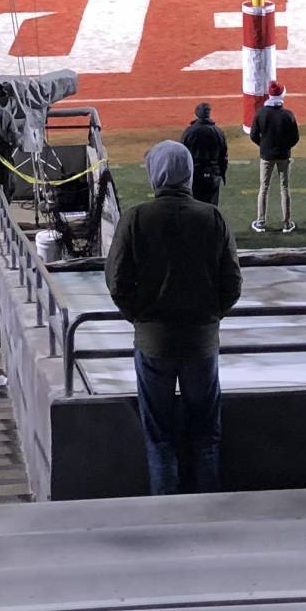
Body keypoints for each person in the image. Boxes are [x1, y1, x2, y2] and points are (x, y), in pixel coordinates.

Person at [104, 141, 241, 494]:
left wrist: (140, 317)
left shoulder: (136, 218)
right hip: (201, 341)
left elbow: (117, 281)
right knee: (207, 435)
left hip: (154, 342)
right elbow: (232, 283)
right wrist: (210, 317)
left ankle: (166, 511)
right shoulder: (212, 217)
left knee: (159, 437)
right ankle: (208, 507)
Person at [248, 80, 298, 234]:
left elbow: (254, 135)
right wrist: (285, 147)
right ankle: (287, 223)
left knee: (264, 188)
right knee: (284, 188)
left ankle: (261, 221)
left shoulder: (261, 113)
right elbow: (295, 137)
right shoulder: (288, 114)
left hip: (266, 155)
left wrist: (264, 146)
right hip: (284, 155)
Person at [180, 102, 230, 205]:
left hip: (194, 174)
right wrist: (222, 174)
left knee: (194, 206)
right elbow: (223, 156)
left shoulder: (189, 132)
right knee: (212, 207)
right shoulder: (218, 132)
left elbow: (182, 155)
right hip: (213, 174)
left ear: (197, 114)